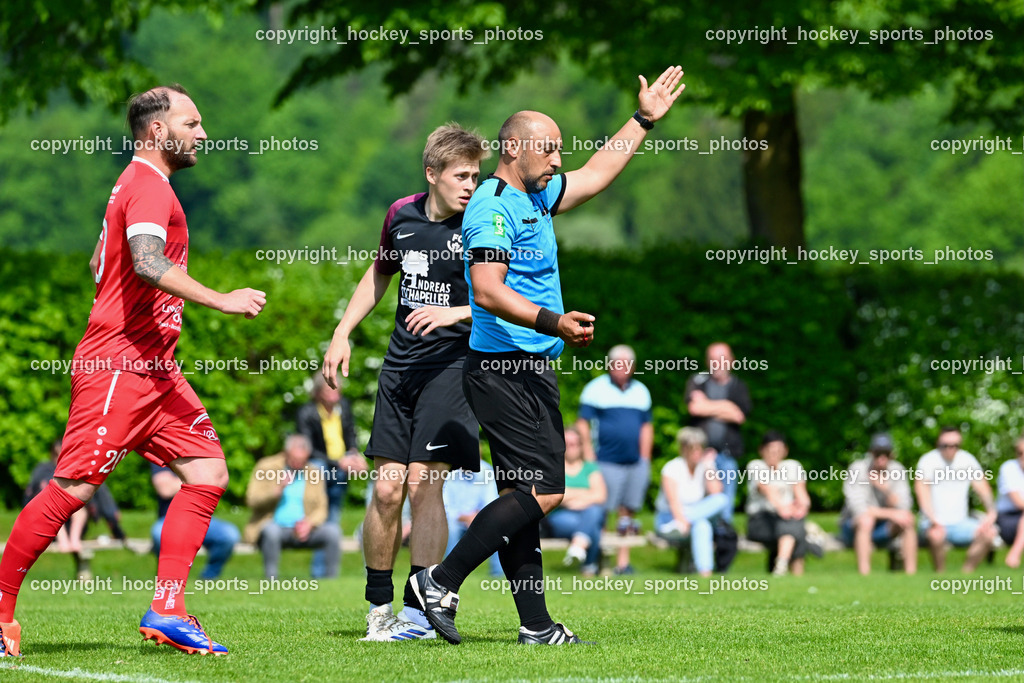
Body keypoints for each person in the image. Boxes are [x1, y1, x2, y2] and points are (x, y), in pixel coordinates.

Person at [407, 65, 686, 646]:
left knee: (520, 501)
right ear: (515, 149)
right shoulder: (493, 207)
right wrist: (554, 321)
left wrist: (642, 120)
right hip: (505, 369)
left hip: (526, 367)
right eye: (550, 150)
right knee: (545, 490)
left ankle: (535, 625)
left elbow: (596, 174)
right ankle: (439, 580)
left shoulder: (535, 196)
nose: (559, 160)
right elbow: (486, 290)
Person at [0, 84, 265, 658]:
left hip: (155, 369)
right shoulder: (147, 186)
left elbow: (104, 261)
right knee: (73, 488)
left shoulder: (136, 185)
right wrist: (221, 299)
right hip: (120, 364)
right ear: (155, 131)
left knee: (208, 472)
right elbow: (146, 264)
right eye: (191, 123)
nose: (202, 134)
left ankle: (167, 609)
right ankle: (0, 613)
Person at [322, 124, 489, 641]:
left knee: (423, 483)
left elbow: (504, 296)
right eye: (461, 176)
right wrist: (342, 332)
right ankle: (378, 611)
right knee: (388, 487)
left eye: (476, 176)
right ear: (431, 173)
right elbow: (379, 273)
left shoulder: (484, 222)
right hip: (399, 370)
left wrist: (453, 312)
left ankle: (419, 613)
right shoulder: (401, 214)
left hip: (454, 369)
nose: (470, 185)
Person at [576, 344, 652, 575]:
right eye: (617, 364)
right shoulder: (595, 389)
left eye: (626, 364)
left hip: (634, 462)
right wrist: (589, 456)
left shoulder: (641, 391)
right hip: (605, 461)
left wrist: (645, 459)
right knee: (602, 512)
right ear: (610, 365)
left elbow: (646, 426)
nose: (621, 368)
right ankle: (598, 559)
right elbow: (582, 424)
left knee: (627, 513)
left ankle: (622, 562)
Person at [295, 373, 366, 577]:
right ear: (317, 393)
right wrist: (339, 462)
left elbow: (350, 434)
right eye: (329, 389)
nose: (334, 393)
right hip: (320, 469)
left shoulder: (343, 407)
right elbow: (307, 449)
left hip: (339, 469)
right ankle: (318, 572)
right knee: (321, 517)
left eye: (336, 388)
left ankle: (328, 573)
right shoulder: (306, 412)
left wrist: (353, 455)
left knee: (332, 520)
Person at [244, 434, 341, 579]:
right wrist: (277, 490)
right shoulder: (266, 467)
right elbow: (252, 500)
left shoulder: (313, 472)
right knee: (271, 531)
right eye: (294, 460)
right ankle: (271, 580)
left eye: (302, 461)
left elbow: (322, 508)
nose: (297, 464)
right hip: (275, 527)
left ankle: (331, 582)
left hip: (303, 530)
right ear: (286, 453)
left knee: (333, 531)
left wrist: (309, 524)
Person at [685, 342, 752, 523]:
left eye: (722, 359)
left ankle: (724, 536)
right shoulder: (698, 380)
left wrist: (708, 405)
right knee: (700, 498)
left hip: (728, 454)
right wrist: (727, 407)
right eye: (713, 360)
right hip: (701, 453)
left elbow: (739, 416)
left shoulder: (739, 386)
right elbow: (695, 409)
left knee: (726, 499)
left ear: (731, 361)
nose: (718, 364)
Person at [915, 426, 997, 572]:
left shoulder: (967, 460)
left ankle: (965, 574)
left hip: (961, 523)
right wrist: (934, 520)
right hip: (932, 522)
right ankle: (940, 575)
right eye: (945, 445)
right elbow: (922, 493)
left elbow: (983, 489)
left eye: (954, 445)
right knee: (936, 535)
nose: (950, 449)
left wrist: (991, 514)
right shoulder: (927, 461)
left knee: (989, 534)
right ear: (938, 444)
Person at [654, 427, 728, 577]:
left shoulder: (705, 466)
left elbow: (716, 492)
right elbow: (673, 501)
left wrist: (708, 466)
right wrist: (680, 520)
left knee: (707, 518)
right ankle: (705, 572)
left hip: (687, 521)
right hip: (670, 519)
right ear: (683, 449)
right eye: (692, 449)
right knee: (702, 524)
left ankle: (705, 573)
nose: (696, 453)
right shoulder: (672, 468)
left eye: (699, 448)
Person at [839, 433, 917, 575]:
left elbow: (905, 505)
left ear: (892, 454)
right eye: (877, 453)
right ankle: (865, 574)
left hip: (884, 528)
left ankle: (910, 574)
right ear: (870, 453)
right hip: (853, 527)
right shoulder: (858, 469)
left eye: (885, 453)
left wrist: (886, 490)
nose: (881, 458)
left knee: (908, 519)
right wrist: (892, 513)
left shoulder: (897, 470)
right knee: (866, 521)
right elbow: (858, 509)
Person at [151, 464, 240, 580]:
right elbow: (165, 489)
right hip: (170, 518)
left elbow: (218, 482)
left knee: (229, 534)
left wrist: (182, 482)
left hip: (201, 517)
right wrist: (199, 481)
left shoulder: (201, 456)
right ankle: (168, 577)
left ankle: (209, 578)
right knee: (159, 533)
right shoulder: (161, 456)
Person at [745, 431, 811, 576]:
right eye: (771, 450)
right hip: (761, 519)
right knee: (793, 527)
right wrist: (783, 508)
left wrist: (802, 507)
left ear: (785, 451)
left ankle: (781, 566)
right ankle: (791, 572)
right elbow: (766, 489)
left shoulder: (792, 466)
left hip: (786, 518)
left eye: (778, 450)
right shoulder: (756, 466)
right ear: (762, 450)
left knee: (793, 524)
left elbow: (800, 492)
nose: (774, 454)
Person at [544, 427, 607, 577]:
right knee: (593, 525)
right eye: (567, 443)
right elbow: (554, 496)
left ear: (581, 445)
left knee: (594, 512)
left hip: (586, 514)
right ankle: (589, 567)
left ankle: (579, 545)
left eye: (574, 443)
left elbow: (601, 496)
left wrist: (570, 495)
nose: (571, 447)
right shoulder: (553, 469)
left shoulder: (590, 468)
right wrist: (585, 495)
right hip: (559, 518)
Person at [443, 460, 503, 578]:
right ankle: (448, 572)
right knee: (452, 528)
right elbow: (445, 507)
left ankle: (498, 575)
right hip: (456, 519)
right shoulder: (448, 472)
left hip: (481, 517)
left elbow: (491, 503)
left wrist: (477, 517)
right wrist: (465, 517)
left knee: (498, 526)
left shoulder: (486, 471)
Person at [996, 435, 1024, 568]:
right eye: (1020, 453)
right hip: (1007, 519)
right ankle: (1014, 556)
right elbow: (1019, 503)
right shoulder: (1009, 468)